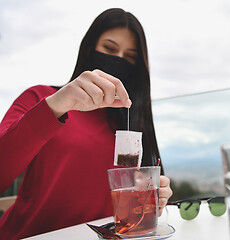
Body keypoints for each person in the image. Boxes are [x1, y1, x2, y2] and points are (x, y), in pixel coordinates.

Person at [0, 8, 172, 239]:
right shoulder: (40, 98)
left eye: (129, 57)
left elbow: (125, 208)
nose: (118, 59)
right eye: (110, 49)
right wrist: (55, 106)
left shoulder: (129, 125)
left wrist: (152, 200)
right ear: (90, 48)